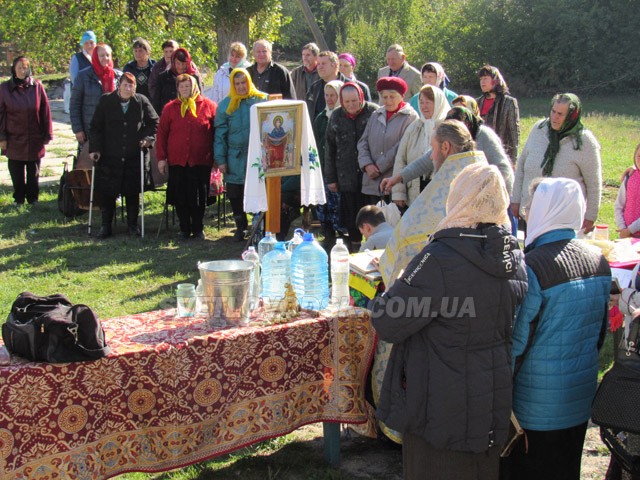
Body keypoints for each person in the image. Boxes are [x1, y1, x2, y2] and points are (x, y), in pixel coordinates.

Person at [371, 162, 528, 480]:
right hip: (489, 402)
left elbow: (387, 319)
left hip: (439, 407)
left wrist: (401, 279)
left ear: (459, 199)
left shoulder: (439, 258)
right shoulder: (514, 257)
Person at [502, 177, 610, 480]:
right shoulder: (599, 260)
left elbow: (517, 342)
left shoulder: (533, 267)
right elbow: (600, 334)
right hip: (579, 401)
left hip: (535, 407)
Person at [378, 120, 488, 285]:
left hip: (448, 274)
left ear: (445, 147)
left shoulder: (450, 184)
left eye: (432, 148)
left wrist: (388, 263)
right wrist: (399, 178)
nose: (430, 156)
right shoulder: (482, 170)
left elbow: (411, 235)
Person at [510, 93, 601, 234]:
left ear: (572, 116)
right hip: (533, 214)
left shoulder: (584, 142)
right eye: (553, 111)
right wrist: (515, 199)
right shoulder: (538, 129)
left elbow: (594, 184)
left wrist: (590, 216)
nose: (554, 117)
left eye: (560, 114)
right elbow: (521, 166)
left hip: (563, 220)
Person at [89, 72, 159, 238]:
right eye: (125, 84)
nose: (129, 88)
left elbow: (154, 122)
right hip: (109, 155)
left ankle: (133, 225)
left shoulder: (141, 101)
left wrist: (148, 138)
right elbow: (95, 127)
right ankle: (106, 226)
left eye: (132, 85)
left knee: (132, 191)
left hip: (134, 155)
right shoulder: (106, 101)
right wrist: (95, 149)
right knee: (108, 192)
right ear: (118, 85)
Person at [156, 74, 217, 240]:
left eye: (187, 86)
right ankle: (184, 228)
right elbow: (161, 134)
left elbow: (216, 133)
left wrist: (217, 158)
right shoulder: (170, 108)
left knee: (199, 196)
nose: (185, 89)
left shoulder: (209, 106)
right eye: (181, 86)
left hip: (200, 160)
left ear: (194, 87)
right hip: (178, 161)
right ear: (177, 89)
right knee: (180, 196)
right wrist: (161, 158)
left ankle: (198, 228)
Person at [214, 68, 267, 241]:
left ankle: (258, 225)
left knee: (258, 189)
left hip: (258, 155)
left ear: (249, 81)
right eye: (237, 83)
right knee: (235, 192)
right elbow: (220, 135)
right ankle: (240, 226)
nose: (241, 86)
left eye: (243, 82)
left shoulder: (261, 99)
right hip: (235, 156)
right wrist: (220, 159)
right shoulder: (226, 105)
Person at [325, 82, 378, 252]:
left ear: (361, 97)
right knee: (351, 216)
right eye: (346, 102)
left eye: (354, 101)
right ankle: (355, 247)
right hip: (345, 175)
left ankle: (375, 246)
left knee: (372, 214)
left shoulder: (373, 113)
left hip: (370, 176)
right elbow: (330, 148)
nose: (351, 105)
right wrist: (331, 178)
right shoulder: (336, 116)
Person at [0, 56, 52, 205]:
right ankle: (19, 198)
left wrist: (47, 133)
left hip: (34, 136)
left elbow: (45, 111)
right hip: (13, 137)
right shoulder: (4, 89)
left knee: (33, 170)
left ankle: (33, 198)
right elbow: (0, 114)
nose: (23, 71)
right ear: (14, 70)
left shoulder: (37, 86)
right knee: (16, 170)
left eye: (25, 68)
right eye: (19, 68)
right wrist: (2, 137)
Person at [358, 77, 418, 204]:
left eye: (392, 96)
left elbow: (401, 146)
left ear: (402, 96)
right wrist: (367, 164)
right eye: (384, 97)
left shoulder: (410, 117)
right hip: (371, 181)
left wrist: (379, 167)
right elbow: (363, 142)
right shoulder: (376, 115)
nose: (388, 101)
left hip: (393, 182)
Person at [390, 84, 449, 208]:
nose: (424, 106)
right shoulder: (414, 127)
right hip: (415, 192)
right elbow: (401, 159)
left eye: (428, 102)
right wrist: (398, 192)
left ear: (438, 102)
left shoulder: (448, 128)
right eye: (421, 102)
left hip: (441, 194)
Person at [70, 43, 121, 147]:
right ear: (95, 57)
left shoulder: (118, 76)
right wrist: (78, 129)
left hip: (114, 129)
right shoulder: (83, 76)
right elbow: (75, 104)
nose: (105, 58)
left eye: (107, 55)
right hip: (90, 129)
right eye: (102, 55)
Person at [312, 79, 344, 246]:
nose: (329, 99)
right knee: (323, 204)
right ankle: (328, 233)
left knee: (337, 205)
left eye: (333, 95)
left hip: (339, 169)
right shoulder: (321, 117)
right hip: (323, 168)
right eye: (326, 95)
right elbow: (316, 143)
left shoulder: (343, 116)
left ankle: (340, 235)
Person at [476, 65, 520, 165]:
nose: (482, 81)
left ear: (495, 81)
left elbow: (514, 134)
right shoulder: (477, 102)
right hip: (481, 157)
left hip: (501, 156)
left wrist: (513, 161)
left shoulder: (508, 102)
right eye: (481, 79)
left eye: (486, 78)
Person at [153, 47, 202, 115]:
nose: (181, 67)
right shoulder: (163, 77)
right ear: (173, 63)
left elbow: (199, 98)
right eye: (178, 63)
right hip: (169, 115)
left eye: (183, 64)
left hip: (190, 115)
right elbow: (156, 101)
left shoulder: (194, 78)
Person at [305, 51, 346, 125]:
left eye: (323, 64)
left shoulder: (350, 87)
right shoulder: (314, 88)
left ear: (335, 65)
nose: (320, 67)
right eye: (318, 64)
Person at [614, 142, 640, 238]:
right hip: (626, 236)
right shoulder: (630, 177)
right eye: (639, 156)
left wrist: (630, 230)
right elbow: (618, 205)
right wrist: (622, 228)